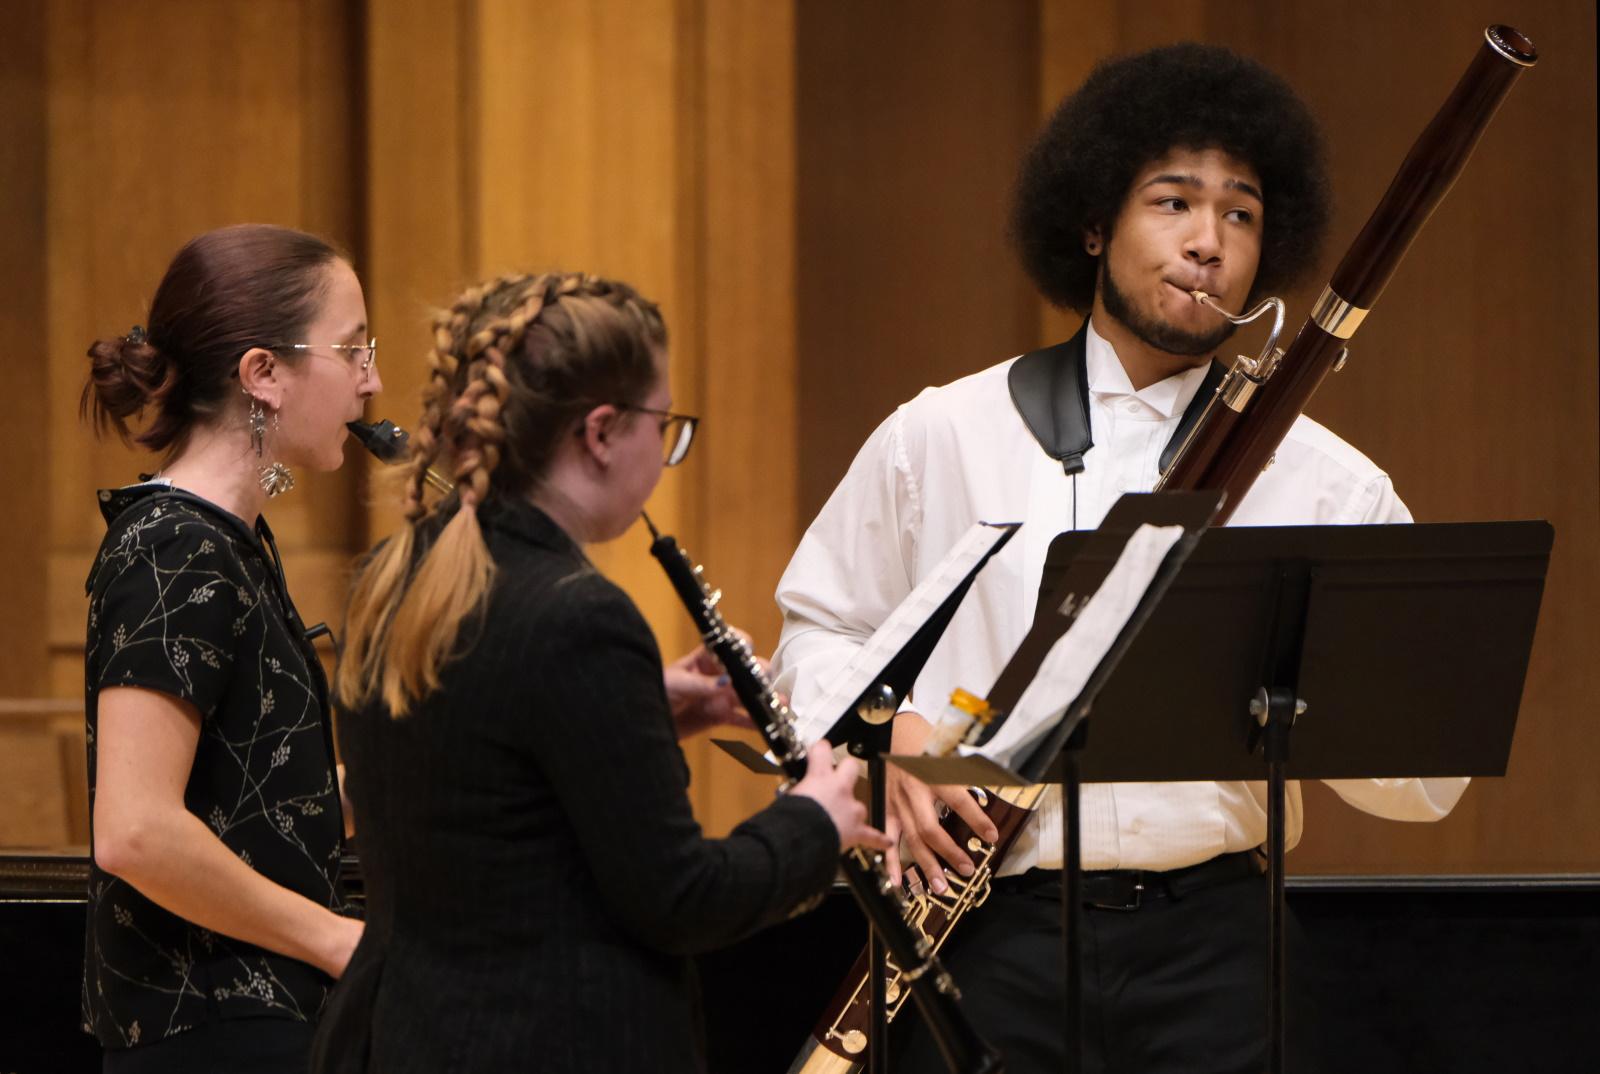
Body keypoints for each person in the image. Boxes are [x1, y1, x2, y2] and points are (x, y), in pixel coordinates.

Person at [772, 43, 1470, 1074]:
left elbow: (1427, 775)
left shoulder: (1328, 483)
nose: (1207, 241)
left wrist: (1298, 692)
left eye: (1239, 213)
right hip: (988, 934)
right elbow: (817, 632)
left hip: (1221, 948)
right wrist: (891, 740)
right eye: (1173, 202)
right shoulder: (942, 435)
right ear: (1094, 224)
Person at [311, 271, 887, 1073]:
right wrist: (812, 823)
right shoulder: (579, 618)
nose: (667, 448)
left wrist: (640, 710)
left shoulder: (398, 576)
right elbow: (682, 900)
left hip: (411, 1038)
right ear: (604, 431)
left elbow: (483, 765)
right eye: (666, 424)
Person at [80, 224, 378, 1071]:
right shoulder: (176, 548)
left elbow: (259, 802)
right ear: (264, 374)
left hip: (253, 1022)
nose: (372, 382)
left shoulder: (228, 540)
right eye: (353, 350)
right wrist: (332, 938)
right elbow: (135, 831)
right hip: (213, 1031)